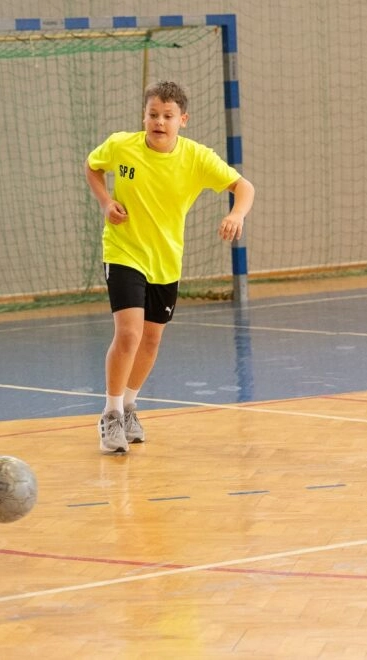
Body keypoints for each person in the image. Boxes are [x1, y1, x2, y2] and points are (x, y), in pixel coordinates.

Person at [85, 80, 255, 454]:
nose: (159, 122)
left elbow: (244, 187)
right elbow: (93, 166)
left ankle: (129, 405)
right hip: (123, 250)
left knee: (151, 338)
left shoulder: (196, 158)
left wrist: (237, 214)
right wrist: (105, 201)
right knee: (128, 334)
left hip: (166, 259)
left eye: (168, 116)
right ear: (143, 117)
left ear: (183, 119)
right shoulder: (121, 146)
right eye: (153, 115)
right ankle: (110, 414)